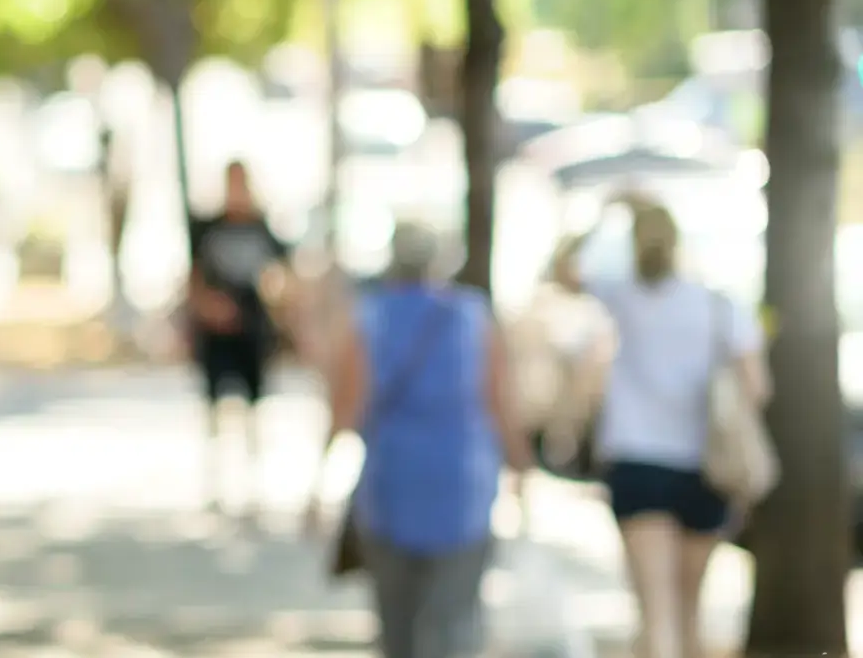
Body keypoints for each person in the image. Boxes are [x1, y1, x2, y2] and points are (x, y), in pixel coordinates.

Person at [553, 194, 770, 658]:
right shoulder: (719, 306)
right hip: (706, 469)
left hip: (638, 463)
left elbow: (562, 268)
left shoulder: (622, 294)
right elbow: (757, 388)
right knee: (689, 613)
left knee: (657, 613)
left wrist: (602, 211)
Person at [320, 222, 532, 658]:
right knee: (454, 623)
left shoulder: (371, 316)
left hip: (391, 487)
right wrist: (522, 467)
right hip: (462, 489)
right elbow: (500, 404)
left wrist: (317, 481)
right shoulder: (473, 316)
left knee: (397, 629)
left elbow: (347, 406)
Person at [185, 161, 290, 512]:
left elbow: (282, 276)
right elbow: (193, 279)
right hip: (216, 335)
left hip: (252, 331)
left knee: (254, 411)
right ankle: (216, 485)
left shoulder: (263, 229)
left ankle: (253, 486)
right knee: (216, 411)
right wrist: (208, 307)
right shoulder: (207, 229)